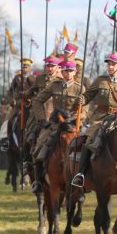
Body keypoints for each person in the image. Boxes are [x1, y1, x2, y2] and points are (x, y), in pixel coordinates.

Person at [71, 53, 117, 187]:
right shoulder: (100, 80)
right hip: (100, 117)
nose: (110, 67)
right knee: (89, 139)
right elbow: (88, 95)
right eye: (109, 64)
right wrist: (82, 99)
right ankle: (80, 174)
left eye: (113, 64)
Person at [31, 60, 85, 193]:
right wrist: (42, 120)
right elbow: (37, 100)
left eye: (70, 71)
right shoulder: (54, 85)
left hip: (74, 125)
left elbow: (87, 109)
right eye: (65, 71)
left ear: (75, 72)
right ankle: (38, 182)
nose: (67, 74)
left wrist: (79, 115)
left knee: (89, 148)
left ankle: (84, 179)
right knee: (39, 148)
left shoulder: (80, 88)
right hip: (56, 124)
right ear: (61, 72)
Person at [0, 58, 35, 151]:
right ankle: (6, 140)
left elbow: (36, 92)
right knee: (8, 119)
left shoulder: (33, 79)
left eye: (27, 67)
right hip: (18, 105)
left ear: (30, 68)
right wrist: (8, 100)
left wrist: (31, 100)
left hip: (29, 106)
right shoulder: (17, 78)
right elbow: (10, 91)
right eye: (23, 67)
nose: (25, 69)